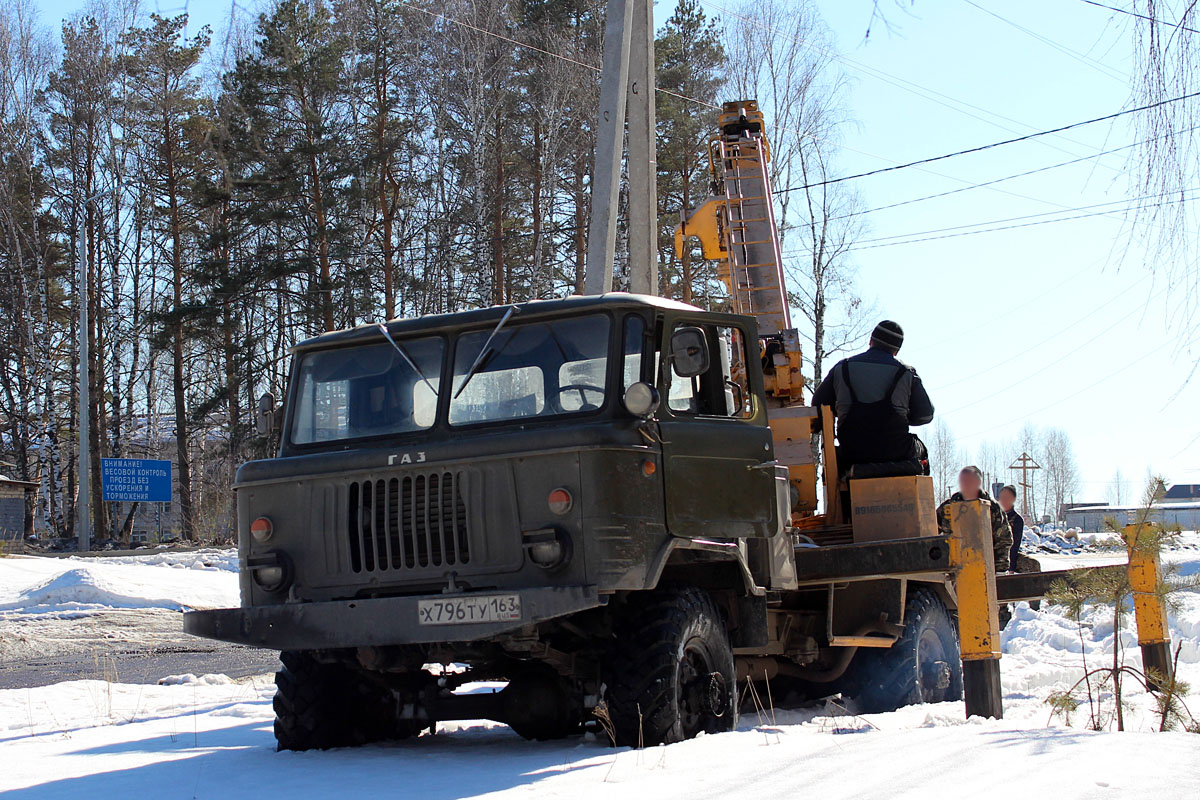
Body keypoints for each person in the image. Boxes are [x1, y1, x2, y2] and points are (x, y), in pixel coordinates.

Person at [811, 320, 934, 476]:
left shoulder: (842, 368)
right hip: (896, 452)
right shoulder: (906, 373)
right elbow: (926, 415)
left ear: (871, 341)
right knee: (921, 453)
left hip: (852, 452)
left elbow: (817, 407)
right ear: (896, 351)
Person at [936, 466, 1013, 572]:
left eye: (970, 482)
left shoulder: (992, 508)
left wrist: (999, 571)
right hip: (952, 569)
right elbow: (932, 532)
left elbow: (1004, 540)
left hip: (984, 568)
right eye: (964, 481)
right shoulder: (947, 507)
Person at [997, 485, 1024, 570]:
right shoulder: (993, 516)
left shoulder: (1017, 520)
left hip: (1005, 560)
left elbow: (1015, 545)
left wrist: (1011, 568)